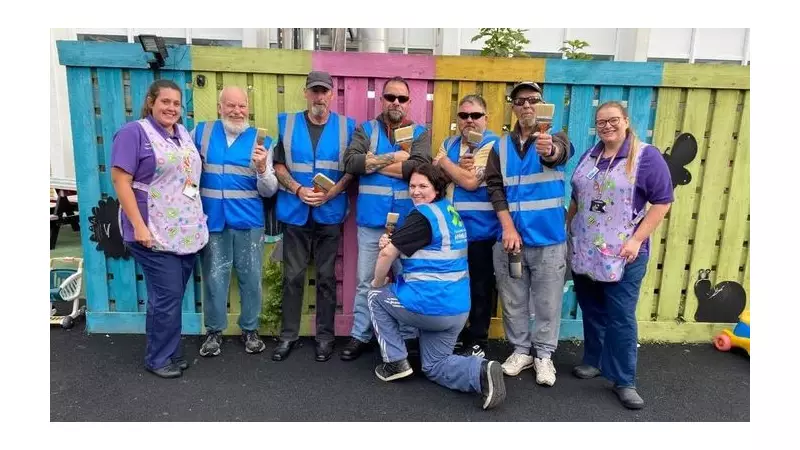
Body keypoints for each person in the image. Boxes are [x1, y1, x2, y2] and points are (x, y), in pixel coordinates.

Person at [368, 163, 506, 410]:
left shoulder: (422, 215)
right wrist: (393, 243)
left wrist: (378, 283)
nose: (415, 191)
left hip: (430, 306)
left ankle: (396, 362)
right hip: (457, 309)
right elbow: (425, 247)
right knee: (435, 365)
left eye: (423, 186)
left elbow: (387, 254)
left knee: (375, 296)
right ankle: (480, 371)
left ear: (437, 188)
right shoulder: (449, 212)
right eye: (412, 186)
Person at [567, 101, 673, 409]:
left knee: (621, 316)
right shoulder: (590, 155)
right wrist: (567, 228)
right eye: (601, 122)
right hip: (586, 249)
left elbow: (663, 201)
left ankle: (624, 380)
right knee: (592, 309)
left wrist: (637, 239)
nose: (607, 126)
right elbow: (577, 196)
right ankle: (595, 360)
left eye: (613, 120)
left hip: (624, 253)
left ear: (626, 121)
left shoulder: (646, 157)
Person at [111, 79, 209, 378]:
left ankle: (170, 352)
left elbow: (188, 177)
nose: (171, 108)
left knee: (171, 296)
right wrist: (139, 226)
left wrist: (194, 211)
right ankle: (158, 358)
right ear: (151, 102)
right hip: (151, 230)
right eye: (165, 101)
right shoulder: (133, 133)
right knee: (166, 296)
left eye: (176, 103)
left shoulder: (182, 134)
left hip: (184, 230)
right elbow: (121, 181)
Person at [484, 81, 572, 386]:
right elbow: (495, 188)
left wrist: (549, 149)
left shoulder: (556, 138)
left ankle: (544, 356)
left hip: (548, 239)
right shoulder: (500, 146)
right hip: (511, 240)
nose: (526, 106)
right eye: (520, 101)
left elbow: (557, 154)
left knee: (548, 302)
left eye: (533, 100)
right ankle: (521, 351)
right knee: (513, 300)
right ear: (513, 107)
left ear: (542, 105)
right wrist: (507, 227)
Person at [340, 76, 431, 361]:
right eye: (390, 97)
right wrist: (395, 159)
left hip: (407, 223)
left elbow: (419, 168)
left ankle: (408, 336)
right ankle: (360, 334)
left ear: (409, 102)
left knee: (407, 279)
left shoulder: (420, 133)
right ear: (382, 100)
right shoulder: (365, 129)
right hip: (372, 221)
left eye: (402, 98)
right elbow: (351, 162)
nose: (396, 102)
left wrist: (374, 161)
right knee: (367, 281)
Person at [271, 71, 357, 362]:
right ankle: (288, 336)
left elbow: (351, 170)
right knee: (292, 276)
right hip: (295, 211)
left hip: (329, 212)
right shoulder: (287, 124)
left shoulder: (347, 127)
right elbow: (278, 165)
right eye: (314, 91)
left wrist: (331, 193)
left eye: (324, 91)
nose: (319, 97)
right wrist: (297, 189)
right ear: (306, 93)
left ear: (331, 94)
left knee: (326, 278)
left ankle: (325, 338)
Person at [192, 86, 278, 357]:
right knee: (214, 278)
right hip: (212, 219)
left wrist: (262, 169)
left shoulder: (262, 141)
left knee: (250, 278)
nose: (237, 111)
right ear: (220, 107)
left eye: (242, 106)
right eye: (231, 105)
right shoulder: (200, 133)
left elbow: (270, 190)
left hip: (248, 220)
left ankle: (250, 330)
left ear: (248, 108)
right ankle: (214, 332)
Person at [433, 94, 500, 358]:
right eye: (463, 115)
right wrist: (455, 171)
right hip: (451, 231)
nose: (469, 120)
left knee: (480, 287)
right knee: (454, 285)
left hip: (481, 230)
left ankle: (478, 339)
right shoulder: (448, 142)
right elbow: (434, 178)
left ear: (486, 118)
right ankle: (456, 334)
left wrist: (445, 164)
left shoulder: (493, 144)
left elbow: (471, 182)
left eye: (475, 115)